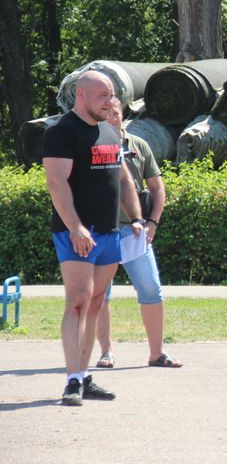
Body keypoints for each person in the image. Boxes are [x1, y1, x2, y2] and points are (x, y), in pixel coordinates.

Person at [42, 71, 144, 406]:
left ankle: (84, 376)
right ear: (81, 95)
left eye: (111, 95)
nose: (110, 101)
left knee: (97, 302)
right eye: (103, 95)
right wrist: (75, 226)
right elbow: (57, 182)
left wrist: (137, 217)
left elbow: (123, 178)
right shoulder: (61, 132)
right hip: (75, 231)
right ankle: (72, 380)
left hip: (110, 231)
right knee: (78, 300)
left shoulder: (109, 132)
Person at [95, 97, 182, 369]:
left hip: (135, 232)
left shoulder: (139, 145)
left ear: (123, 115)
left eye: (115, 112)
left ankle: (156, 353)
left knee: (151, 289)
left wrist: (152, 221)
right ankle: (105, 352)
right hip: (101, 232)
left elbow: (157, 187)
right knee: (101, 294)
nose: (111, 117)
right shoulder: (90, 145)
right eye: (105, 112)